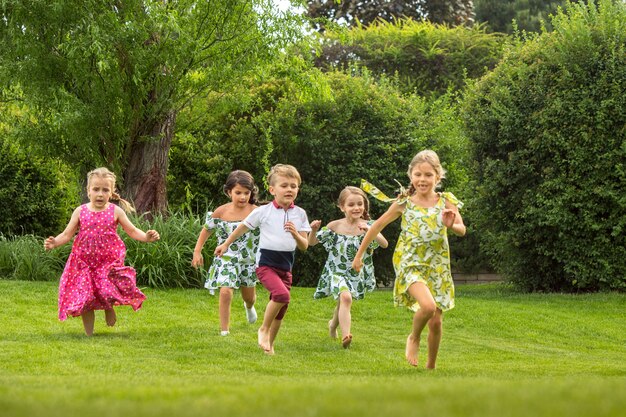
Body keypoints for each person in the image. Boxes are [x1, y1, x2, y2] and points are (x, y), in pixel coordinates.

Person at [352, 150, 466, 369]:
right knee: (428, 306)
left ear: (438, 177)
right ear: (410, 175)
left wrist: (451, 224)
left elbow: (462, 230)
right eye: (418, 174)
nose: (422, 179)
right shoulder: (405, 202)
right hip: (409, 262)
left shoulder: (446, 201)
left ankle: (430, 367)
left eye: (428, 175)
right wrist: (359, 256)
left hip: (437, 265)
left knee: (436, 321)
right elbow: (377, 226)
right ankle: (413, 337)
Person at [44, 167, 160, 336]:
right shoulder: (80, 211)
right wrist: (55, 243)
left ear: (111, 192)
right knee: (85, 297)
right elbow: (67, 234)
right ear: (88, 191)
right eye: (96, 189)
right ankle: (89, 335)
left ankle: (108, 307)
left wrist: (147, 237)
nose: (100, 194)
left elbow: (133, 231)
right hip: (83, 263)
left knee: (106, 290)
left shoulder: (115, 211)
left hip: (107, 262)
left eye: (105, 190)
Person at [214, 164, 311, 355]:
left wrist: (295, 234)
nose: (289, 189)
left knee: (282, 307)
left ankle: (270, 346)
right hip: (266, 264)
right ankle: (263, 329)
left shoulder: (300, 214)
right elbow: (242, 227)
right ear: (272, 190)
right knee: (282, 296)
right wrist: (225, 244)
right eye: (284, 185)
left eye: (293, 186)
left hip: (286, 266)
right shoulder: (263, 211)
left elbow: (304, 246)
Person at [308, 186, 388, 349]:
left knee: (342, 302)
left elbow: (384, 244)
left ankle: (332, 325)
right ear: (342, 207)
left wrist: (371, 230)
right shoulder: (335, 226)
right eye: (351, 205)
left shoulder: (368, 225)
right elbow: (312, 242)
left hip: (356, 273)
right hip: (336, 271)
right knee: (345, 298)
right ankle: (346, 336)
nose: (357, 207)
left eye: (360, 204)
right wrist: (313, 230)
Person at [192, 170, 260, 336]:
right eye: (238, 193)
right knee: (225, 290)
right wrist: (197, 251)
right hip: (226, 257)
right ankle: (224, 331)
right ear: (228, 192)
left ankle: (249, 307)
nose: (243, 197)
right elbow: (206, 230)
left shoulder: (257, 212)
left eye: (246, 193)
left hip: (248, 260)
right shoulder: (221, 212)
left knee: (249, 296)